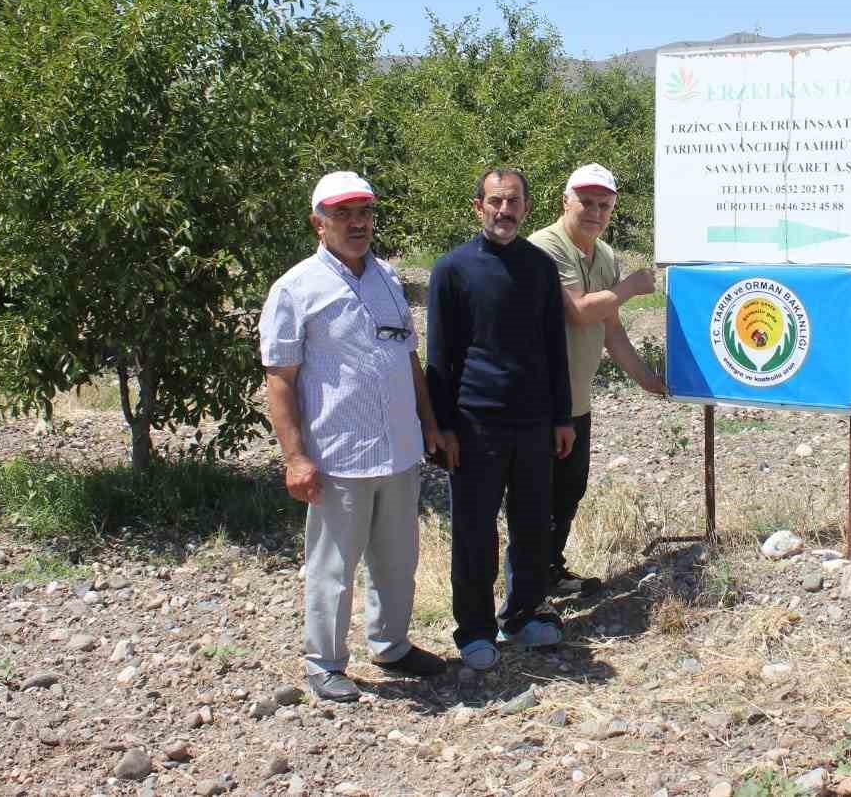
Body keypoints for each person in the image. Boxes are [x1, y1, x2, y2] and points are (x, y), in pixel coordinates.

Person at [259, 171, 454, 703]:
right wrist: (295, 457)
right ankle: (324, 662)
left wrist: (429, 423)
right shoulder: (295, 289)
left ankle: (391, 645)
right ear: (317, 223)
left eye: (363, 212)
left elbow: (407, 356)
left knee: (397, 559)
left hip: (399, 448)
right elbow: (280, 378)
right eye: (342, 214)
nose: (357, 222)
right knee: (332, 567)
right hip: (336, 454)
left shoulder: (388, 277)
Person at [426, 167, 574, 671]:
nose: (504, 211)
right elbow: (439, 356)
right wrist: (441, 428)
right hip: (474, 423)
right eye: (495, 201)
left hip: (534, 422)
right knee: (474, 531)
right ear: (478, 207)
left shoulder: (539, 267)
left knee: (532, 524)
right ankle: (474, 630)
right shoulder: (453, 269)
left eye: (513, 202)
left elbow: (556, 347)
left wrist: (562, 416)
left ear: (526, 208)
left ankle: (524, 614)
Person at [527, 163, 666, 596]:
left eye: (603, 205)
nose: (594, 211)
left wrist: (647, 379)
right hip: (539, 400)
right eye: (585, 202)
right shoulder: (544, 248)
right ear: (565, 201)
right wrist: (631, 286)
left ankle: (549, 572)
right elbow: (579, 309)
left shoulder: (603, 254)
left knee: (569, 491)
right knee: (537, 498)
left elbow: (610, 327)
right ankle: (527, 591)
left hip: (576, 401)